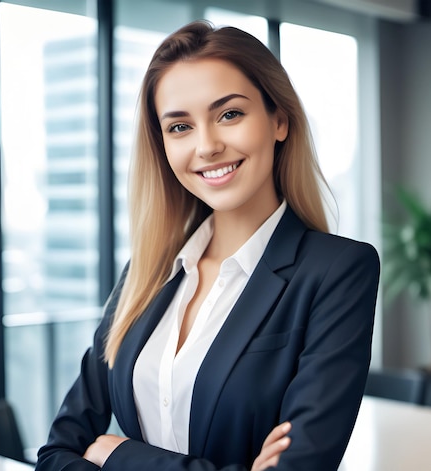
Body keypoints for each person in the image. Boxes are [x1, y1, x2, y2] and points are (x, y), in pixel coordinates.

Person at [36, 20, 379, 471]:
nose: (207, 146)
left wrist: (118, 454)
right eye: (179, 127)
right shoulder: (146, 274)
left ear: (279, 120)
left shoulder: (338, 271)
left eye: (229, 114)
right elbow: (56, 454)